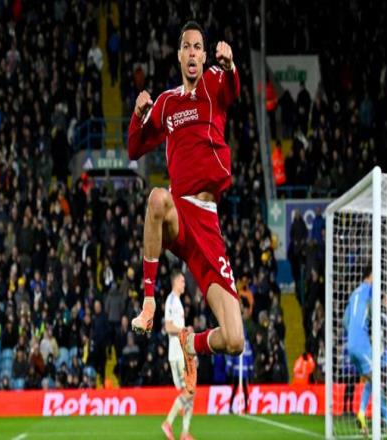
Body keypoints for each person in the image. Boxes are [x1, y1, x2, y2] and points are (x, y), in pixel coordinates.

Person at [127, 20, 243, 395]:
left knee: (235, 339)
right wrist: (137, 115)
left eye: (197, 47)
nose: (192, 52)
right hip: (180, 213)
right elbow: (134, 149)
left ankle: (190, 343)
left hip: (207, 224)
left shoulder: (214, 82)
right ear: (178, 55)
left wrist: (230, 65)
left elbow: (234, 90)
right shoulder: (167, 103)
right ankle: (148, 302)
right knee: (157, 198)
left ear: (204, 55)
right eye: (186, 47)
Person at [343, 267, 387, 439]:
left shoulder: (354, 294)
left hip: (351, 344)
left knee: (372, 381)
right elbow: (375, 314)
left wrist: (356, 332)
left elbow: (345, 321)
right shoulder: (371, 289)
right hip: (362, 344)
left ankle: (361, 413)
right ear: (370, 275)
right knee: (377, 381)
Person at [161, 270, 195, 440]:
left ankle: (184, 433)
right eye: (182, 281)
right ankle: (168, 422)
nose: (184, 283)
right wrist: (184, 330)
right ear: (175, 282)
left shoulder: (177, 302)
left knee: (190, 392)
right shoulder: (171, 300)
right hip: (176, 353)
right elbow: (168, 327)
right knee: (189, 391)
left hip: (181, 352)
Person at [225, 331, 253, 414]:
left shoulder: (244, 344)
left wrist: (229, 366)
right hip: (239, 371)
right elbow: (249, 357)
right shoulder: (243, 344)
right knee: (239, 390)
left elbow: (249, 357)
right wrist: (250, 368)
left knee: (242, 390)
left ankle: (244, 408)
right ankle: (236, 408)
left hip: (240, 371)